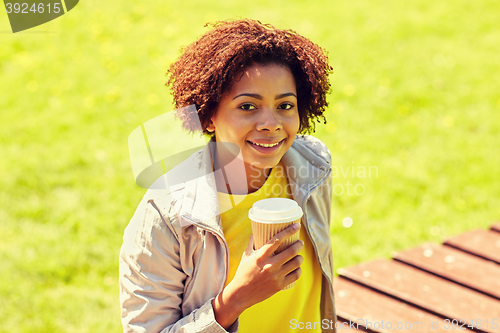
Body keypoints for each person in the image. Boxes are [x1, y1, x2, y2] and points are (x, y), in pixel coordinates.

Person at [119, 19, 336, 333]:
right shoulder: (166, 215)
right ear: (207, 115)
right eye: (248, 106)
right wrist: (235, 299)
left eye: (285, 105)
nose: (271, 123)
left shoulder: (311, 166)